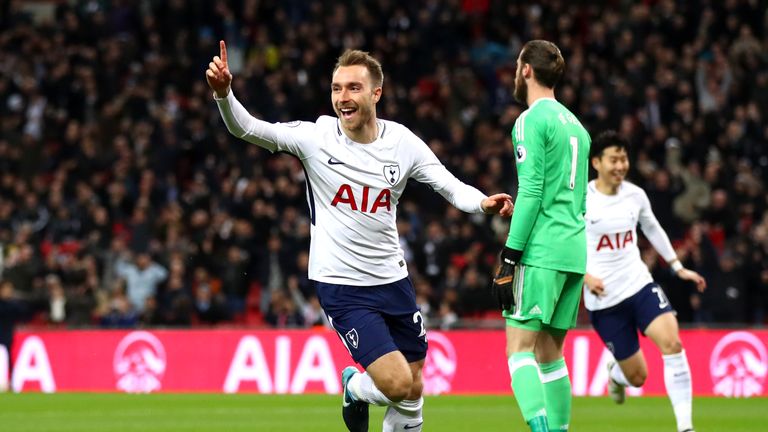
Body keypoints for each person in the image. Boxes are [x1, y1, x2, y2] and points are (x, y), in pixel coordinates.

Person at [206, 41, 513, 432]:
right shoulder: (315, 138)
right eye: (336, 88)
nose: (342, 97)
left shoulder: (401, 142)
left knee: (414, 386)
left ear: (375, 93)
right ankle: (353, 387)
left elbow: (449, 186)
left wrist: (483, 202)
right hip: (343, 285)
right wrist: (223, 93)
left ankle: (364, 393)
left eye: (353, 88)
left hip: (392, 279)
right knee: (398, 383)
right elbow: (247, 128)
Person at [491, 40, 590, 432]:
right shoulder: (577, 127)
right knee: (551, 357)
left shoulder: (530, 120)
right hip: (573, 252)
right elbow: (578, 197)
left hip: (542, 252)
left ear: (527, 69)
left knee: (519, 353)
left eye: (518, 65)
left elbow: (530, 192)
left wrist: (510, 256)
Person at [583, 130, 706, 432]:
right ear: (596, 162)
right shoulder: (581, 200)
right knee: (638, 377)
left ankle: (686, 427)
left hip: (638, 284)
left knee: (673, 343)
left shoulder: (635, 195)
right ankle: (616, 375)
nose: (620, 165)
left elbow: (653, 229)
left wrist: (678, 267)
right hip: (605, 300)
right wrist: (584, 276)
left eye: (623, 158)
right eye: (614, 159)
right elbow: (562, 242)